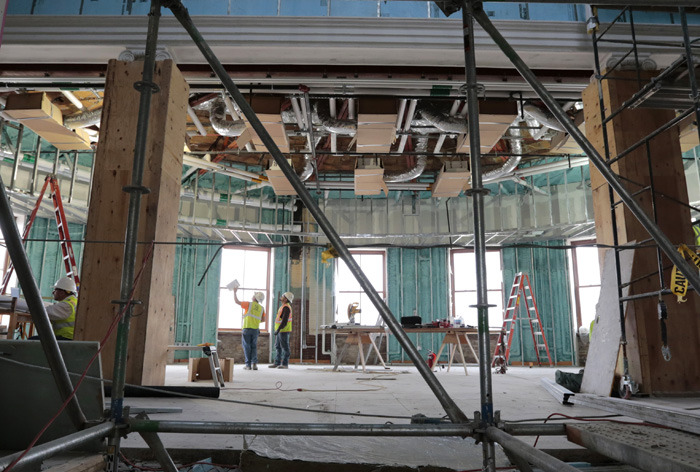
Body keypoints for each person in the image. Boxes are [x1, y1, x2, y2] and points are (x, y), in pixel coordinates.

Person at [29, 276, 78, 340]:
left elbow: (45, 312)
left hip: (66, 338)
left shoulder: (67, 305)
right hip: (66, 337)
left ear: (62, 292)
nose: (53, 292)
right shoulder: (73, 301)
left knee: (32, 341)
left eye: (55, 290)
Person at [233, 287, 266, 370]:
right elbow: (263, 320)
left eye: (253, 295)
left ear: (255, 298)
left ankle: (248, 365)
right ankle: (254, 364)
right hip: (255, 330)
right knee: (253, 346)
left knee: (247, 346)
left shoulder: (249, 304)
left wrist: (234, 292)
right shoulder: (261, 308)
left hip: (247, 329)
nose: (252, 296)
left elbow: (237, 301)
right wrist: (255, 321)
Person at [268, 291, 293, 369]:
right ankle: (277, 362)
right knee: (278, 346)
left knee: (285, 347)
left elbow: (284, 321)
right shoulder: (283, 306)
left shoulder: (286, 308)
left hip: (283, 331)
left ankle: (285, 364)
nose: (281, 297)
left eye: (283, 296)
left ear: (286, 299)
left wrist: (278, 330)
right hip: (280, 331)